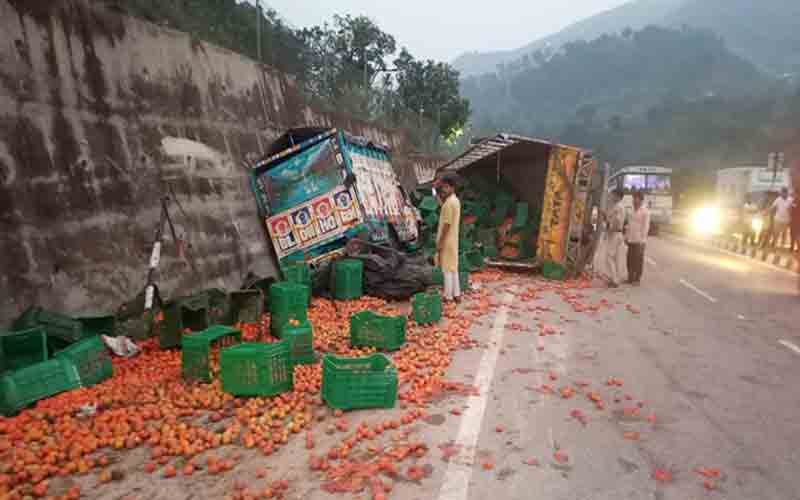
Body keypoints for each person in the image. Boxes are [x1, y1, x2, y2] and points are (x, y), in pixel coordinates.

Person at [435, 175, 461, 302]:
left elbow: (447, 224)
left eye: (446, 187)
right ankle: (456, 294)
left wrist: (440, 242)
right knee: (453, 268)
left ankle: (448, 296)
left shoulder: (449, 203)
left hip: (447, 240)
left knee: (446, 269)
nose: (444, 189)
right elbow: (442, 206)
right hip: (453, 240)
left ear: (452, 187)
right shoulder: (454, 201)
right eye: (443, 187)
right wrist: (434, 191)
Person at [625, 191, 651, 286]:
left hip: (640, 240)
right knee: (629, 259)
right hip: (631, 238)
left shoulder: (645, 211)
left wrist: (642, 240)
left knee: (638, 260)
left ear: (641, 200)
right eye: (633, 198)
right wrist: (626, 236)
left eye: (636, 198)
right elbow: (628, 224)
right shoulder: (631, 210)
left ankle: (637, 279)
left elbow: (646, 227)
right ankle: (630, 277)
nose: (634, 200)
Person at [605, 189, 627, 288]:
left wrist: (611, 229)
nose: (611, 196)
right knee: (616, 258)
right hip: (617, 234)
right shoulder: (618, 206)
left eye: (613, 195)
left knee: (609, 257)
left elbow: (617, 221)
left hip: (615, 233)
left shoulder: (618, 207)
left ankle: (614, 280)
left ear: (618, 196)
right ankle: (615, 278)